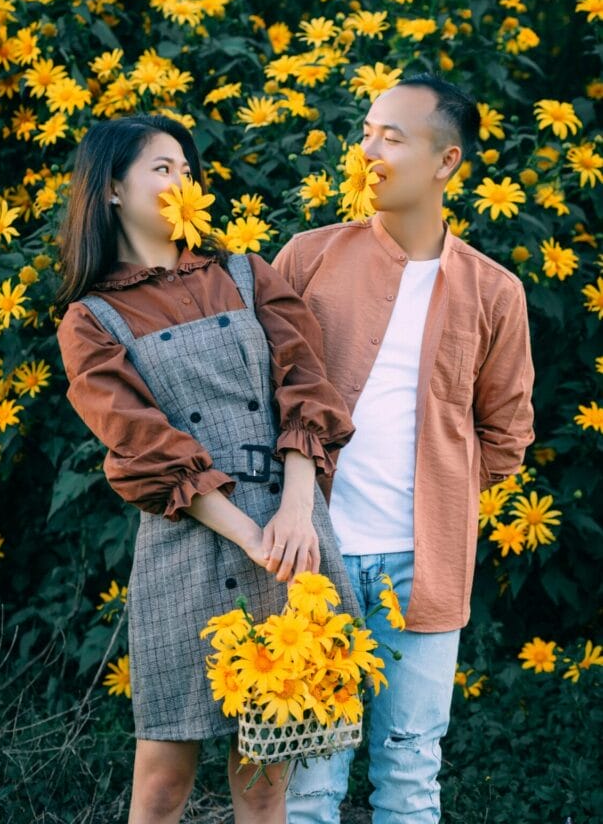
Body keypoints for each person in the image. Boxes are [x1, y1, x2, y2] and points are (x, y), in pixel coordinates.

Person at [55, 114, 359, 824]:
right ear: (109, 190)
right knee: (162, 777)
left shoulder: (247, 274)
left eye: (186, 171)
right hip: (187, 539)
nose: (180, 182)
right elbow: (141, 447)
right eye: (161, 169)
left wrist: (291, 509)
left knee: (264, 777)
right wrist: (245, 532)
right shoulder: (91, 319)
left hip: (290, 535)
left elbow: (305, 388)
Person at [273, 74, 535, 824]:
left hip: (425, 569)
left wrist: (449, 495)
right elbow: (267, 398)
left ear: (446, 162)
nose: (368, 149)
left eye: (391, 136)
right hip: (312, 561)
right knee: (309, 784)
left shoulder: (495, 292)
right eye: (365, 132)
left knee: (411, 776)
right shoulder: (308, 257)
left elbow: (506, 433)